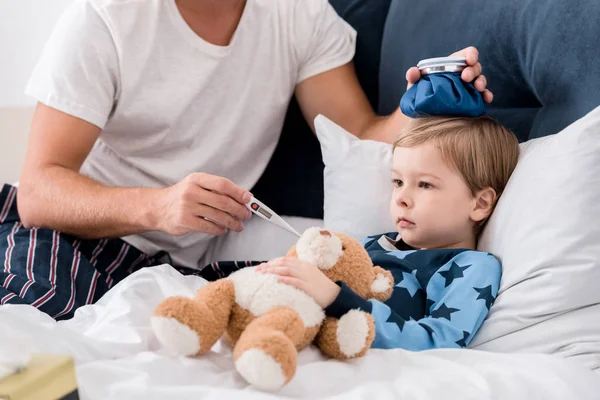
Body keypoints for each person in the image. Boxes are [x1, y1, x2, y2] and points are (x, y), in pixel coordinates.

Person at [0, 0, 492, 320]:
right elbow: (39, 192)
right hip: (80, 239)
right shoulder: (104, 16)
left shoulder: (298, 15)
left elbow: (360, 135)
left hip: (198, 260)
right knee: (41, 327)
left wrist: (423, 104)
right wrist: (159, 207)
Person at [258, 116, 520, 349]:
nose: (401, 198)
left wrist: (337, 298)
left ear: (480, 203)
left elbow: (440, 341)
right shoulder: (371, 244)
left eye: (425, 184)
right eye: (398, 182)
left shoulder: (470, 267)